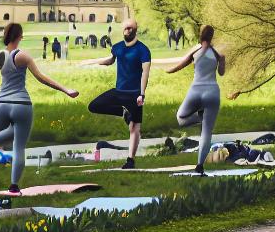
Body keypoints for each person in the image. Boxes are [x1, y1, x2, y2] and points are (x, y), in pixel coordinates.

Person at [0, 23, 76, 192]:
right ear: (20, 37)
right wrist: (66, 90)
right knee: (19, 147)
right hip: (21, 106)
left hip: (2, 104)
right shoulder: (23, 56)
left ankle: (15, 134)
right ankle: (14, 186)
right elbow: (41, 77)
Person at [87, 19, 152, 169]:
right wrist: (95, 62)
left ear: (136, 30)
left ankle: (130, 160)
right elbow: (111, 60)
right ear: (123, 30)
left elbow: (145, 74)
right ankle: (122, 112)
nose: (128, 31)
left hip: (135, 93)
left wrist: (142, 94)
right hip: (119, 91)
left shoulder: (143, 50)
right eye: (126, 28)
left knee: (134, 127)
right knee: (94, 105)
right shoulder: (117, 48)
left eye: (131, 28)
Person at [166, 25, 225, 173]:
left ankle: (199, 118)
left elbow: (180, 65)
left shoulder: (195, 50)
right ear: (212, 37)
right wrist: (222, 61)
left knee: (181, 117)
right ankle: (199, 166)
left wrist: (168, 71)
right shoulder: (217, 53)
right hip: (212, 91)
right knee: (207, 131)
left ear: (200, 35)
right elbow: (221, 73)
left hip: (196, 90)